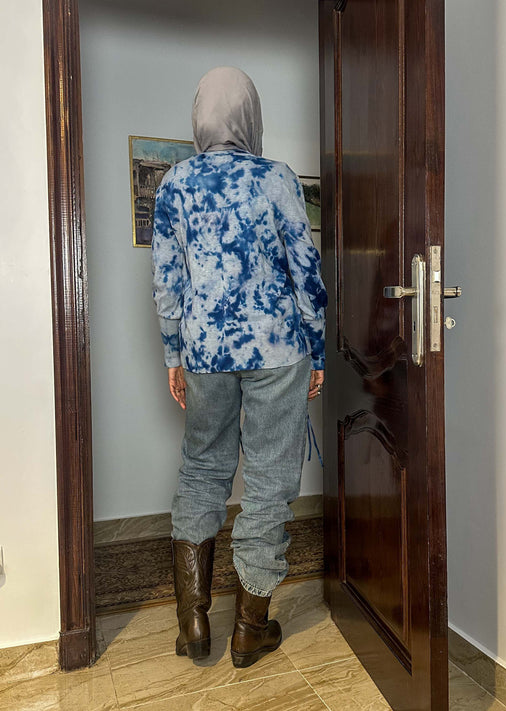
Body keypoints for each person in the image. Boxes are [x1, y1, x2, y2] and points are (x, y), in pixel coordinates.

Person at [151, 66, 327, 669]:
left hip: (204, 352)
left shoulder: (175, 183)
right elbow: (307, 271)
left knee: (203, 469)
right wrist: (317, 349)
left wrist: (174, 354)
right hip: (277, 349)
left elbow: (167, 283)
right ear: (251, 115)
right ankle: (250, 629)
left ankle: (193, 622)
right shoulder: (276, 178)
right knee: (270, 480)